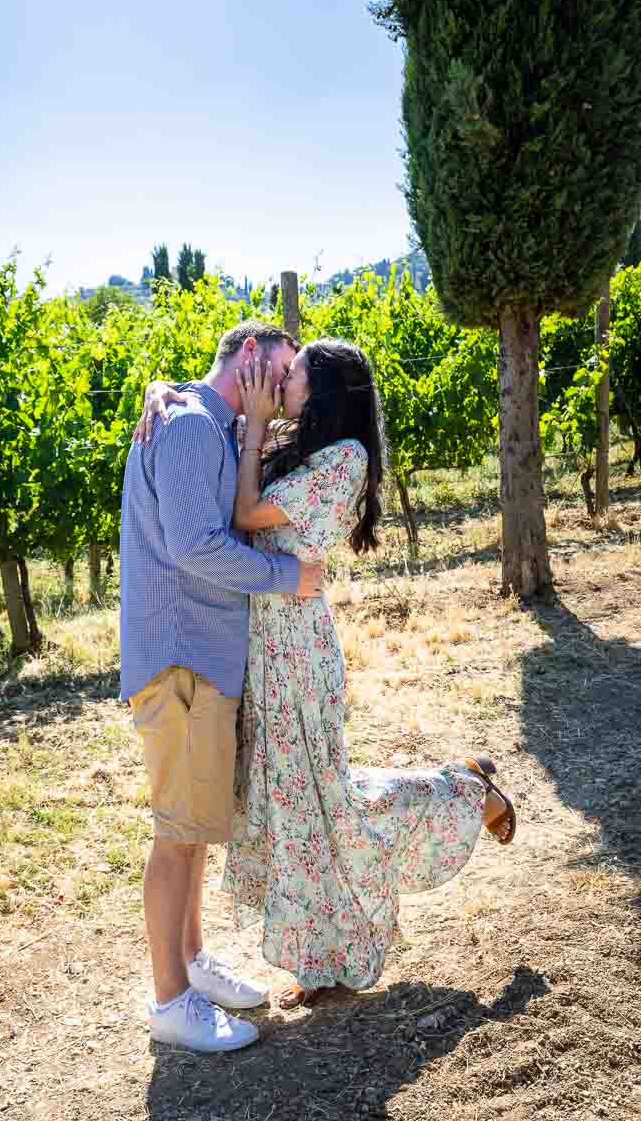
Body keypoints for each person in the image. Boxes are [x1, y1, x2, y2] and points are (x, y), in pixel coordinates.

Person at [139, 337, 516, 1011]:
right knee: (297, 808)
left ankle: (462, 793)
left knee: (326, 806)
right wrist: (162, 392)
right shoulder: (298, 442)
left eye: (295, 374)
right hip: (263, 649)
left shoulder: (346, 458)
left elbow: (247, 515)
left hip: (299, 655)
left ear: (324, 390)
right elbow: (209, 435)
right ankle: (320, 958)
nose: (281, 382)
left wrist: (254, 427)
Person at [119, 321, 325, 1053]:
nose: (288, 383)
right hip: (182, 662)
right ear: (250, 356)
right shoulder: (187, 428)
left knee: (197, 825)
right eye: (284, 367)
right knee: (178, 836)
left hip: (202, 659)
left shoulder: (207, 424)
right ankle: (170, 1002)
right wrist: (287, 579)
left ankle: (194, 964)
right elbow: (195, 546)